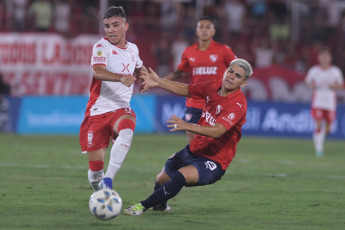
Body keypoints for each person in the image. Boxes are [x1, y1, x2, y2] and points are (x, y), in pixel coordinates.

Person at [124, 58, 253, 216]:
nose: (232, 76)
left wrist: (187, 126)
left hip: (214, 159)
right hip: (194, 150)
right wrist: (158, 82)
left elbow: (219, 130)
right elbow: (186, 89)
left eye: (238, 76)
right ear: (226, 71)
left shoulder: (237, 104)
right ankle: (160, 205)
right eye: (231, 71)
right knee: (161, 179)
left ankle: (141, 206)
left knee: (181, 175)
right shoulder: (213, 86)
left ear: (243, 83)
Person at [79, 6, 147, 191]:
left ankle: (109, 179)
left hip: (121, 108)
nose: (110, 30)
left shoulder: (133, 49)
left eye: (115, 25)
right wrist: (121, 77)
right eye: (107, 26)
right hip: (98, 110)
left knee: (127, 129)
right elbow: (97, 71)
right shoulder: (101, 47)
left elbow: (140, 68)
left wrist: (147, 80)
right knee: (95, 172)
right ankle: (101, 188)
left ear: (126, 26)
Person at [163, 16, 237, 144]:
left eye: (208, 27)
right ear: (196, 31)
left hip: (215, 103)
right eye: (201, 27)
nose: (204, 30)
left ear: (213, 32)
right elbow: (180, 73)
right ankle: (191, 162)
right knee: (191, 138)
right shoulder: (189, 51)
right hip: (194, 101)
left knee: (212, 142)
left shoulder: (224, 50)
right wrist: (159, 81)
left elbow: (238, 69)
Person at [305, 48, 344, 157]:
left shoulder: (335, 71)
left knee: (328, 128)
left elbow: (340, 85)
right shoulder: (314, 71)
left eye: (326, 56)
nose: (324, 58)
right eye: (322, 56)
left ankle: (320, 141)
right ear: (319, 58)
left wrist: (335, 86)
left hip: (330, 102)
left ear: (330, 58)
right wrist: (311, 86)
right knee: (318, 124)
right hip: (318, 101)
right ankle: (319, 149)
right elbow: (307, 83)